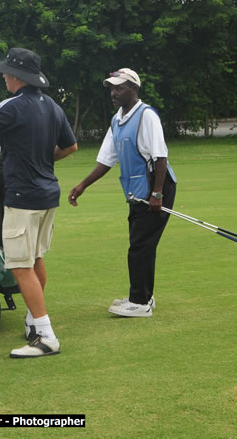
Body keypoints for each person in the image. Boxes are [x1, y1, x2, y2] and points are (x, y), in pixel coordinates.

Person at [0, 48, 77, 358]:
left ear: (18, 77)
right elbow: (70, 146)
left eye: (8, 73)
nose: (5, 77)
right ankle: (34, 321)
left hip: (23, 197)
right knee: (35, 258)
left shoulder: (15, 105)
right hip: (48, 194)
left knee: (21, 265)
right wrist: (42, 160)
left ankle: (46, 336)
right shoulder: (51, 105)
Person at [68, 68, 177, 317]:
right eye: (111, 88)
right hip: (137, 191)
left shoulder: (146, 115)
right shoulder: (117, 120)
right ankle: (144, 295)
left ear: (134, 89)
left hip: (156, 187)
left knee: (140, 245)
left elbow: (161, 157)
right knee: (141, 243)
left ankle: (140, 302)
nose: (113, 93)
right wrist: (82, 185)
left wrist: (157, 194)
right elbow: (107, 160)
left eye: (119, 88)